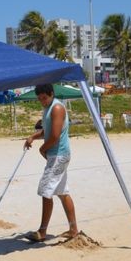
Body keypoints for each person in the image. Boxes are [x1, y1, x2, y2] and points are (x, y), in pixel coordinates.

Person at [24, 83, 78, 242]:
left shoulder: (57, 108)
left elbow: (54, 136)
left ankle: (42, 231)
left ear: (51, 94)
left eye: (44, 98)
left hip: (58, 155)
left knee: (45, 190)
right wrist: (33, 136)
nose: (42, 101)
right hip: (57, 155)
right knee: (61, 192)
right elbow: (47, 131)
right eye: (40, 99)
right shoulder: (48, 108)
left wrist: (42, 149)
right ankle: (73, 229)